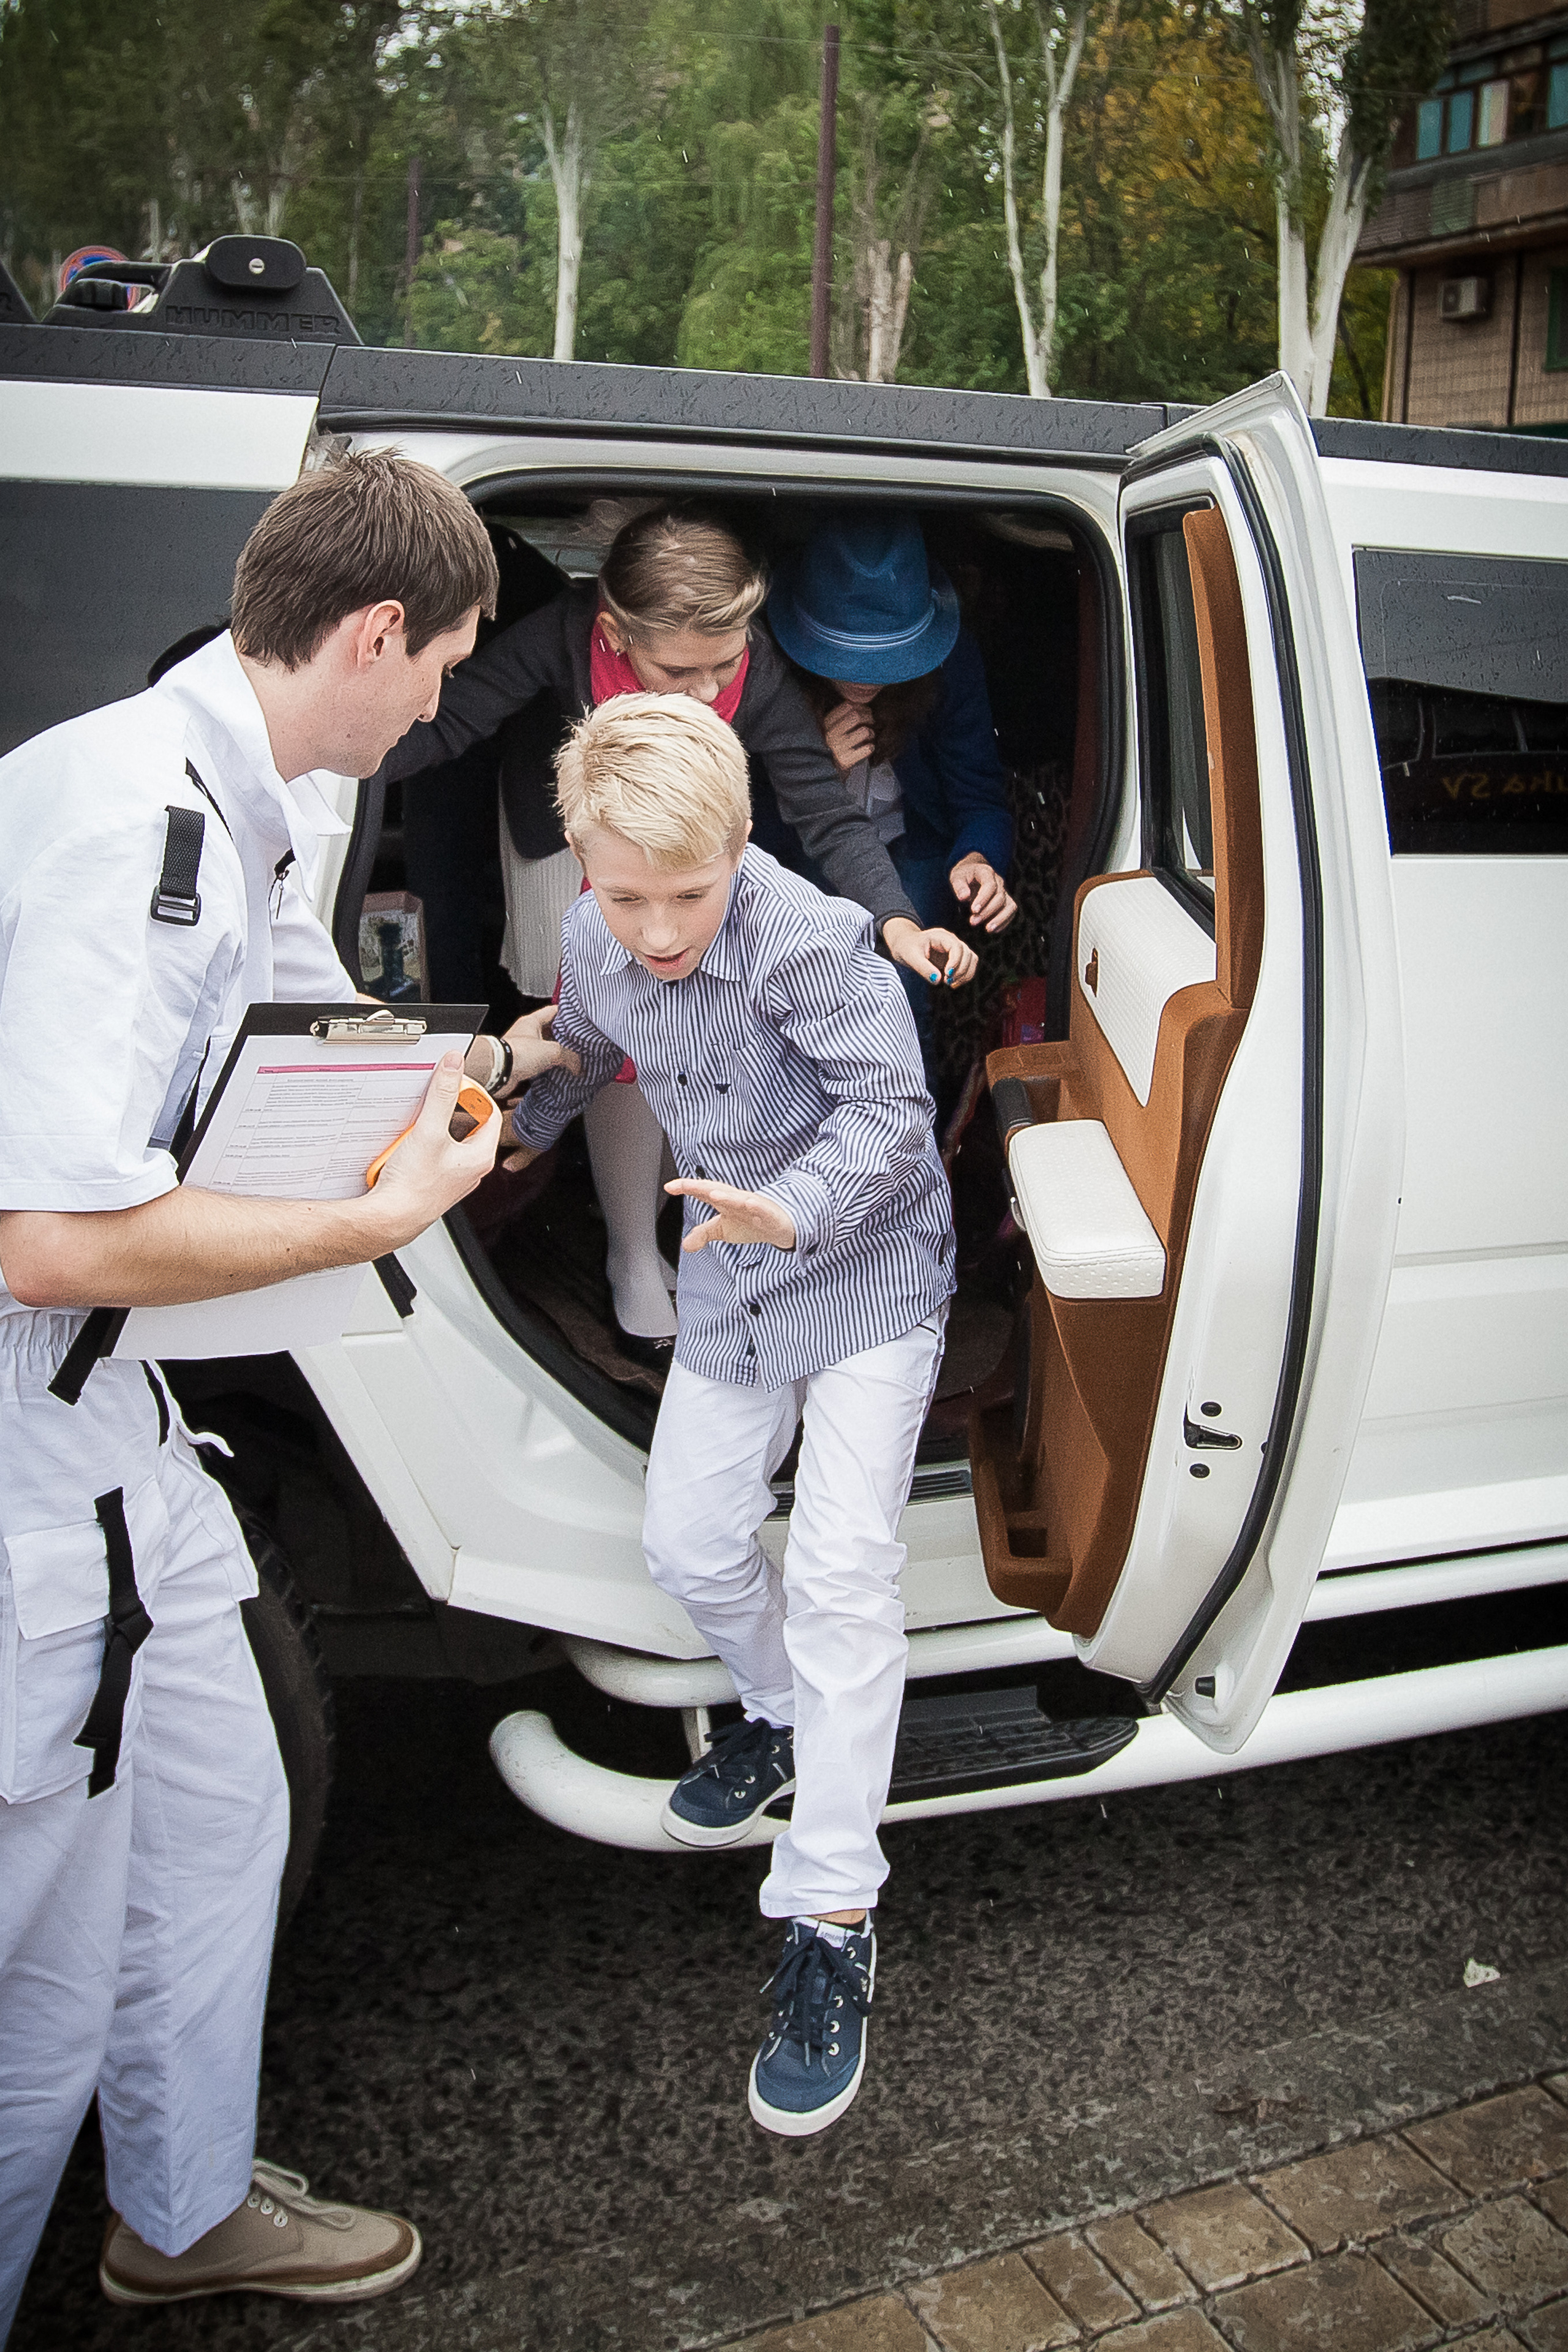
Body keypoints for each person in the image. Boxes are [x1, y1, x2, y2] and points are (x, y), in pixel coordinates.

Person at [0, 448, 572, 2335]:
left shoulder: (226, 803)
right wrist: (369, 1224)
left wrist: (488, 1067)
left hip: (116, 1436)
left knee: (226, 1804)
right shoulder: (144, 837)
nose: (436, 711)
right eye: (439, 670)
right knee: (44, 1971)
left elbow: (326, 1046)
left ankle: (175, 2205)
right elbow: (49, 1237)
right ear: (380, 628)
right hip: (26, 1459)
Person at [503, 693, 955, 2137]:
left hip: (870, 1274)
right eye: (620, 893)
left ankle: (830, 1907)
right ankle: (768, 1709)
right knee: (690, 1547)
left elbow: (889, 1118)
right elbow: (578, 1048)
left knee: (834, 1574)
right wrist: (484, 1126)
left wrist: (794, 1206)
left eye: (683, 894)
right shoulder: (596, 938)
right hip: (731, 1286)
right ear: (582, 866)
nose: (649, 928)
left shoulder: (815, 943)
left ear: (741, 843)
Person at [383, 501, 976, 1364]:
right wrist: (323, 762)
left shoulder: (758, 672)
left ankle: (674, 1234)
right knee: (608, 1039)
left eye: (721, 666)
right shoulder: (563, 635)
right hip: (576, 849)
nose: (705, 692)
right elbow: (453, 721)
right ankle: (631, 1251)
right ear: (616, 635)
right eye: (679, 671)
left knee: (685, 1034)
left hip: (688, 865)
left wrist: (897, 920)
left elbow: (824, 810)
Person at [766, 513, 1019, 1076]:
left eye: (884, 657)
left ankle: (910, 1144)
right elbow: (738, 831)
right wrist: (815, 770)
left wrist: (979, 859)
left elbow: (980, 798)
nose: (864, 674)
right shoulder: (767, 671)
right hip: (795, 846)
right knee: (796, 993)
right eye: (847, 655)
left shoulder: (951, 666)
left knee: (904, 990)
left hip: (914, 842)